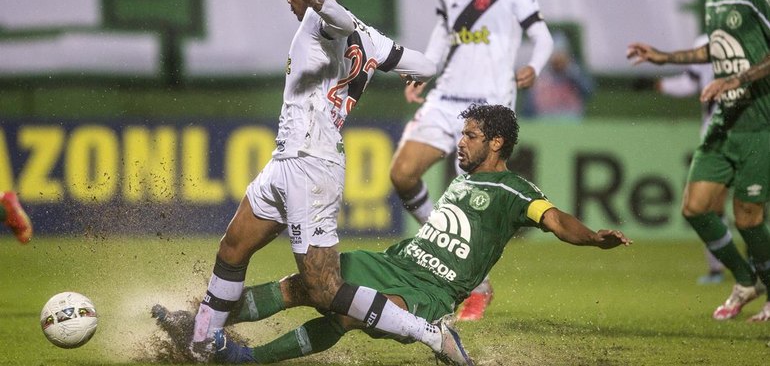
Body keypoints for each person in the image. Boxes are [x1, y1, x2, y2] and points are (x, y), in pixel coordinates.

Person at [175, 0, 477, 365]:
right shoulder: (372, 39)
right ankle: (201, 344)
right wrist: (416, 75)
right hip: (286, 160)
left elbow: (340, 23)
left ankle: (431, 334)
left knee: (324, 290)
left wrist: (319, 2)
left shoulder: (322, 21)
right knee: (232, 247)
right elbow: (425, 64)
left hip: (313, 165)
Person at [153, 104, 631, 365]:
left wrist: (593, 238)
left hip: (431, 290)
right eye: (462, 134)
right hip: (395, 261)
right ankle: (199, 324)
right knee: (306, 284)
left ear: (496, 142)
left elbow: (557, 220)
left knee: (347, 316)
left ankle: (247, 359)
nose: (460, 142)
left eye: (470, 136)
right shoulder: (464, 179)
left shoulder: (514, 189)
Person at [389, 0, 554, 321]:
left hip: (489, 106)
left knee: (475, 204)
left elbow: (543, 37)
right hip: (446, 99)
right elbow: (441, 39)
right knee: (402, 174)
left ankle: (475, 286)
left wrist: (535, 66)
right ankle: (440, 245)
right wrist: (423, 72)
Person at [627, 0, 770, 322]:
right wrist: (665, 57)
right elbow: (714, 50)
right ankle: (745, 280)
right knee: (694, 207)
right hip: (724, 123)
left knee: (748, 219)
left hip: (758, 123)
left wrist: (736, 79)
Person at [654, 34, 728, 285]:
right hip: (717, 133)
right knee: (709, 205)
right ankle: (723, 268)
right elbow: (690, 82)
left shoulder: (756, 35)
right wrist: (662, 85)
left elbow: (689, 82)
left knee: (746, 207)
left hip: (746, 132)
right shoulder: (705, 42)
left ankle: (749, 266)